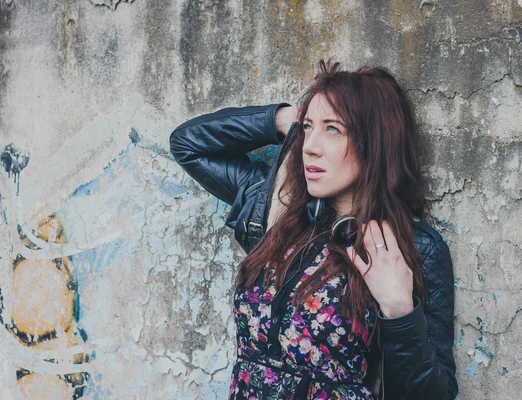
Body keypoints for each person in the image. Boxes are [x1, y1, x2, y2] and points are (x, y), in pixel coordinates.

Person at [169, 60, 458, 400]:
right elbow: (187, 144)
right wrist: (286, 120)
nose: (309, 146)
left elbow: (434, 393)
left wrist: (399, 313)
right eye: (308, 128)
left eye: (333, 129)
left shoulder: (414, 246)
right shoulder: (276, 208)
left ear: (375, 141)